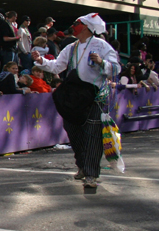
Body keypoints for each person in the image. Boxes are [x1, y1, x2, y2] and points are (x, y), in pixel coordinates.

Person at [32, 14, 120, 189]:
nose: (74, 26)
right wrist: (40, 61)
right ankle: (82, 164)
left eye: (77, 24)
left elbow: (115, 68)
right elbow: (57, 66)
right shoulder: (71, 47)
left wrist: (102, 63)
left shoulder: (101, 46)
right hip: (74, 97)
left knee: (93, 136)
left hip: (94, 97)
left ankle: (91, 174)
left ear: (86, 26)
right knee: (73, 131)